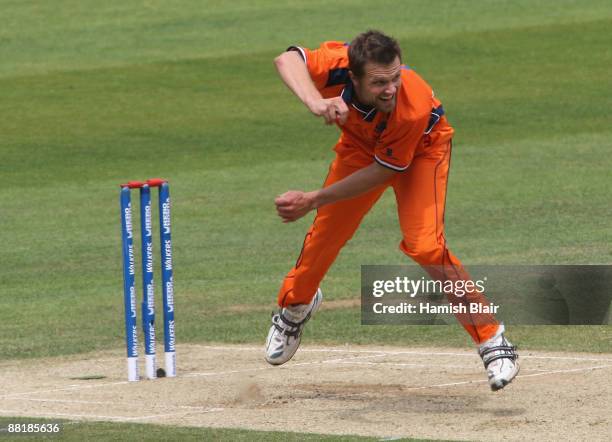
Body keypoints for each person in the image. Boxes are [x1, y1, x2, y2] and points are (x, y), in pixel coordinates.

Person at [264, 30, 519, 391]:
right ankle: (296, 307)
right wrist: (316, 103)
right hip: (360, 146)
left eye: (395, 77)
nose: (390, 88)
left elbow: (383, 171)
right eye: (379, 82)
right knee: (325, 236)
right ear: (353, 76)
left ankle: (492, 338)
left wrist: (313, 198)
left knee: (426, 246)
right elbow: (286, 60)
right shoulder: (340, 63)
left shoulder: (410, 105)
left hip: (422, 152)